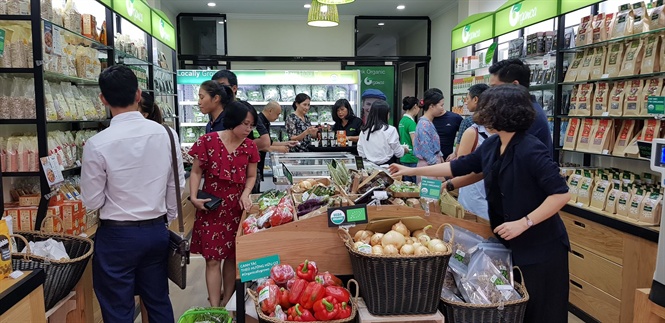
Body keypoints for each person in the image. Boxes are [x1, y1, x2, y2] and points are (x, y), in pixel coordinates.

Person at [389, 85, 570, 323]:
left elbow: (561, 194)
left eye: (487, 108)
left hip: (541, 247)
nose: (480, 113)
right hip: (512, 244)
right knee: (517, 308)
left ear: (502, 113)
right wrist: (414, 170)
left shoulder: (530, 148)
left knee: (542, 312)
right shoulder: (495, 144)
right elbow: (461, 167)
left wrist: (524, 223)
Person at [81, 65, 185, 323]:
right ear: (139, 95)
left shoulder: (97, 144)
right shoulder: (167, 135)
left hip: (116, 235)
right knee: (158, 300)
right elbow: (176, 185)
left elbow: (92, 200)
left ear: (103, 99)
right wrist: (167, 217)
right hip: (155, 231)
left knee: (118, 307)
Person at [188, 99, 259, 308]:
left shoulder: (250, 147)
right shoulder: (207, 141)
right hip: (211, 206)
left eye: (251, 125)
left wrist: (246, 193)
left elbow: (251, 176)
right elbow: (196, 171)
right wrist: (193, 196)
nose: (248, 129)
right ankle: (215, 306)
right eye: (245, 123)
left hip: (236, 209)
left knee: (231, 259)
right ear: (233, 120)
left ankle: (229, 303)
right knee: (212, 259)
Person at [454, 84, 491, 220]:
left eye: (467, 98)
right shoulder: (473, 130)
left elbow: (461, 166)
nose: (465, 101)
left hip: (483, 194)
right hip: (475, 192)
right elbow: (461, 166)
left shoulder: (474, 131)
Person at [211, 70, 270, 151]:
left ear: (234, 88)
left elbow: (265, 141)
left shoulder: (244, 109)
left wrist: (237, 148)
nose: (218, 90)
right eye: (215, 87)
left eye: (222, 86)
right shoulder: (214, 110)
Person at [256, 101, 298, 190]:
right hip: (255, 164)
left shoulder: (265, 122)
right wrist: (279, 149)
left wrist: (286, 143)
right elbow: (261, 146)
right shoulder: (258, 122)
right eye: (278, 114)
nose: (278, 117)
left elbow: (269, 143)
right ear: (270, 110)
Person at [357, 100, 407, 165]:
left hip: (369, 167)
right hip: (388, 167)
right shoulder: (390, 130)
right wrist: (404, 150)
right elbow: (398, 153)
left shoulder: (364, 130)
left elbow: (360, 151)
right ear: (385, 114)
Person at [450, 84, 490, 161]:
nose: (465, 102)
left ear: (475, 99)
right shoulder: (497, 120)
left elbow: (460, 154)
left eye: (467, 98)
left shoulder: (468, 123)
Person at [414, 90, 444, 174]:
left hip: (431, 166)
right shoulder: (424, 124)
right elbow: (426, 151)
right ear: (432, 106)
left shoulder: (428, 123)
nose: (442, 108)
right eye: (441, 105)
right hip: (429, 167)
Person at [430, 88, 463, 160]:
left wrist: (456, 153)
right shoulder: (425, 121)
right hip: (430, 161)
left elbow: (465, 138)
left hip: (448, 161)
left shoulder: (454, 118)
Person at [398, 96, 420, 183]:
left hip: (404, 157)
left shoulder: (402, 121)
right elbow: (414, 142)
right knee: (415, 186)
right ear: (415, 106)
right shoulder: (411, 123)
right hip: (412, 158)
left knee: (407, 184)